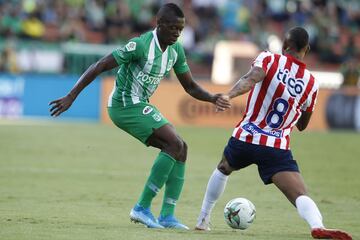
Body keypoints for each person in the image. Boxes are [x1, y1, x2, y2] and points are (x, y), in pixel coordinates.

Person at [49, 3, 230, 230]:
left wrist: (212, 98)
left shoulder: (175, 51)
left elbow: (191, 87)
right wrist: (71, 96)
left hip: (140, 104)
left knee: (181, 148)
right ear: (159, 24)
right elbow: (99, 65)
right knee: (173, 143)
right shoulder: (140, 45)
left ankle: (167, 215)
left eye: (180, 29)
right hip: (123, 105)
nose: (177, 33)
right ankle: (141, 208)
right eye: (173, 28)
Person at [195, 27, 352, 240]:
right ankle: (317, 225)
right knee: (300, 194)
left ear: (285, 46)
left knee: (223, 168)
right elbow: (303, 125)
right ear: (306, 49)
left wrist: (229, 95)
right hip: (275, 147)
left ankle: (203, 220)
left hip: (246, 137)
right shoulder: (311, 83)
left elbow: (250, 79)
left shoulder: (269, 59)